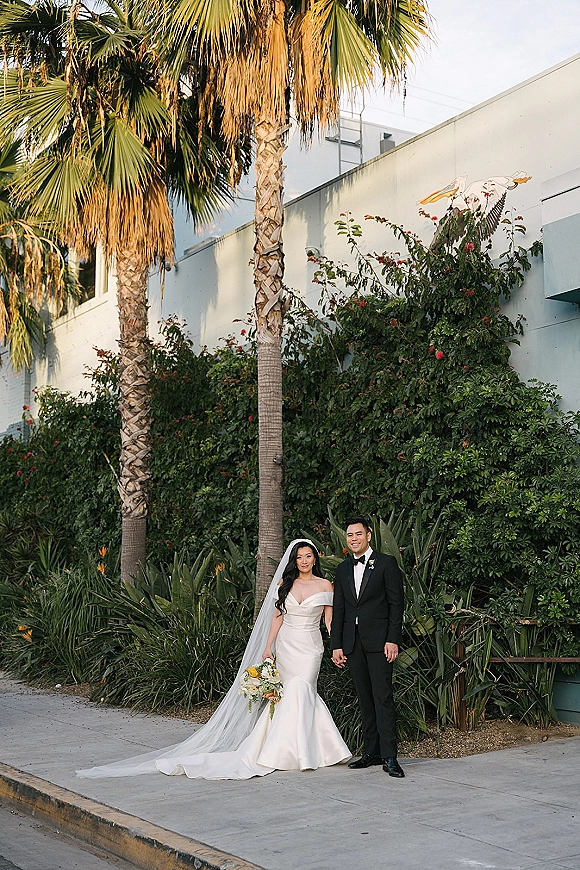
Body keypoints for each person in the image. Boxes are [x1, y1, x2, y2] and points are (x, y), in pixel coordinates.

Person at [77, 539, 350, 781]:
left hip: (311, 646)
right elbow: (277, 618)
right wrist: (268, 647)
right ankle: (289, 751)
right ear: (294, 560)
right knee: (290, 692)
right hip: (287, 645)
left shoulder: (325, 585)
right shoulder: (284, 584)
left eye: (308, 556)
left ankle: (306, 750)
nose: (303, 561)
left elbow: (329, 620)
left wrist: (337, 646)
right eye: (299, 557)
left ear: (315, 558)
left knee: (304, 689)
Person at [330, 517, 405, 778]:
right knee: (364, 698)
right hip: (353, 642)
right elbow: (339, 608)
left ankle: (389, 756)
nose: (353, 539)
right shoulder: (341, 569)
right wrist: (337, 645)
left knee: (382, 697)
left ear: (369, 535)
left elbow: (397, 605)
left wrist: (392, 639)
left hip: (380, 642)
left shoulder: (386, 563)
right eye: (349, 535)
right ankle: (371, 753)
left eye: (358, 534)